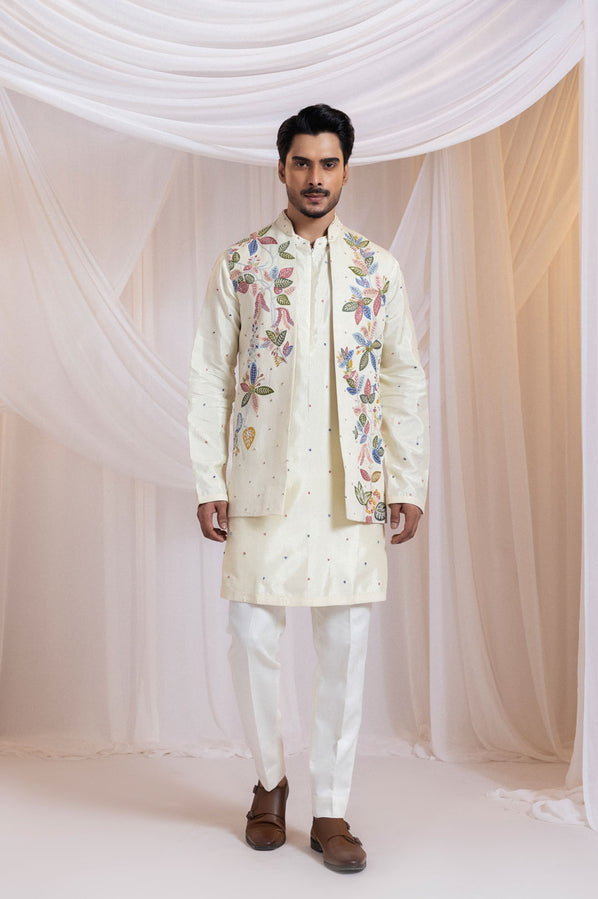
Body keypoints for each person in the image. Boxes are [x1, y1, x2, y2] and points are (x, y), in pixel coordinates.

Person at [188, 104, 428, 874]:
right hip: (262, 480)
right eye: (302, 163)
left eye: (328, 163)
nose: (315, 177)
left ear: (346, 169)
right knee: (252, 637)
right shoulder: (243, 264)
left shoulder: (376, 268)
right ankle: (269, 782)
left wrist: (407, 478)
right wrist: (209, 476)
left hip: (351, 487)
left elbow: (402, 377)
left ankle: (331, 808)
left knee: (344, 649)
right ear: (282, 168)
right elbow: (210, 375)